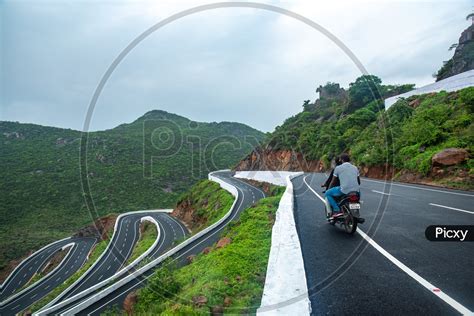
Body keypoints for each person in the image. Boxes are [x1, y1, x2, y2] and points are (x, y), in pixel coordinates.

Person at [324, 153, 360, 218]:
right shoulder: (355, 168)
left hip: (344, 190)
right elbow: (359, 182)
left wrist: (329, 189)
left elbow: (332, 181)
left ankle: (337, 210)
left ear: (342, 160)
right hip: (357, 191)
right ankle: (356, 211)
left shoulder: (338, 168)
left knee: (327, 193)